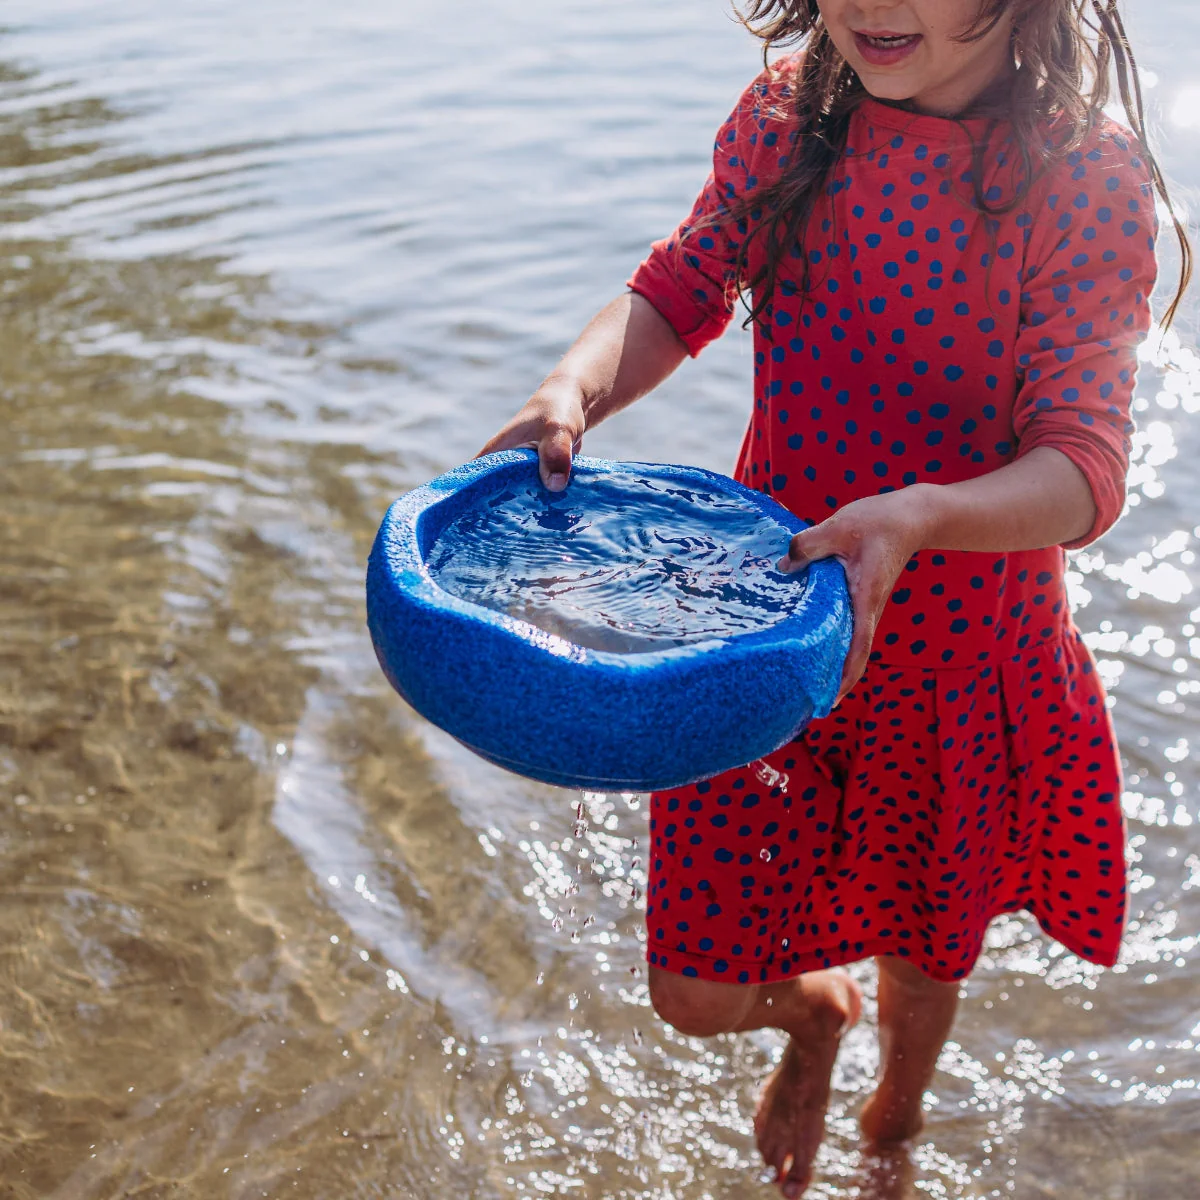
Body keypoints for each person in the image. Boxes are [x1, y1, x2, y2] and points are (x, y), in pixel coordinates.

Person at [479, 1, 1190, 1194]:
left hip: (959, 669)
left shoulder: (1083, 175)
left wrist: (921, 518)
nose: (870, 3)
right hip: (762, 643)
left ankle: (891, 1135)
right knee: (692, 991)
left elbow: (1084, 467)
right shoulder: (787, 121)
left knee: (927, 952)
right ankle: (811, 1014)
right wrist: (575, 386)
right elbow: (678, 289)